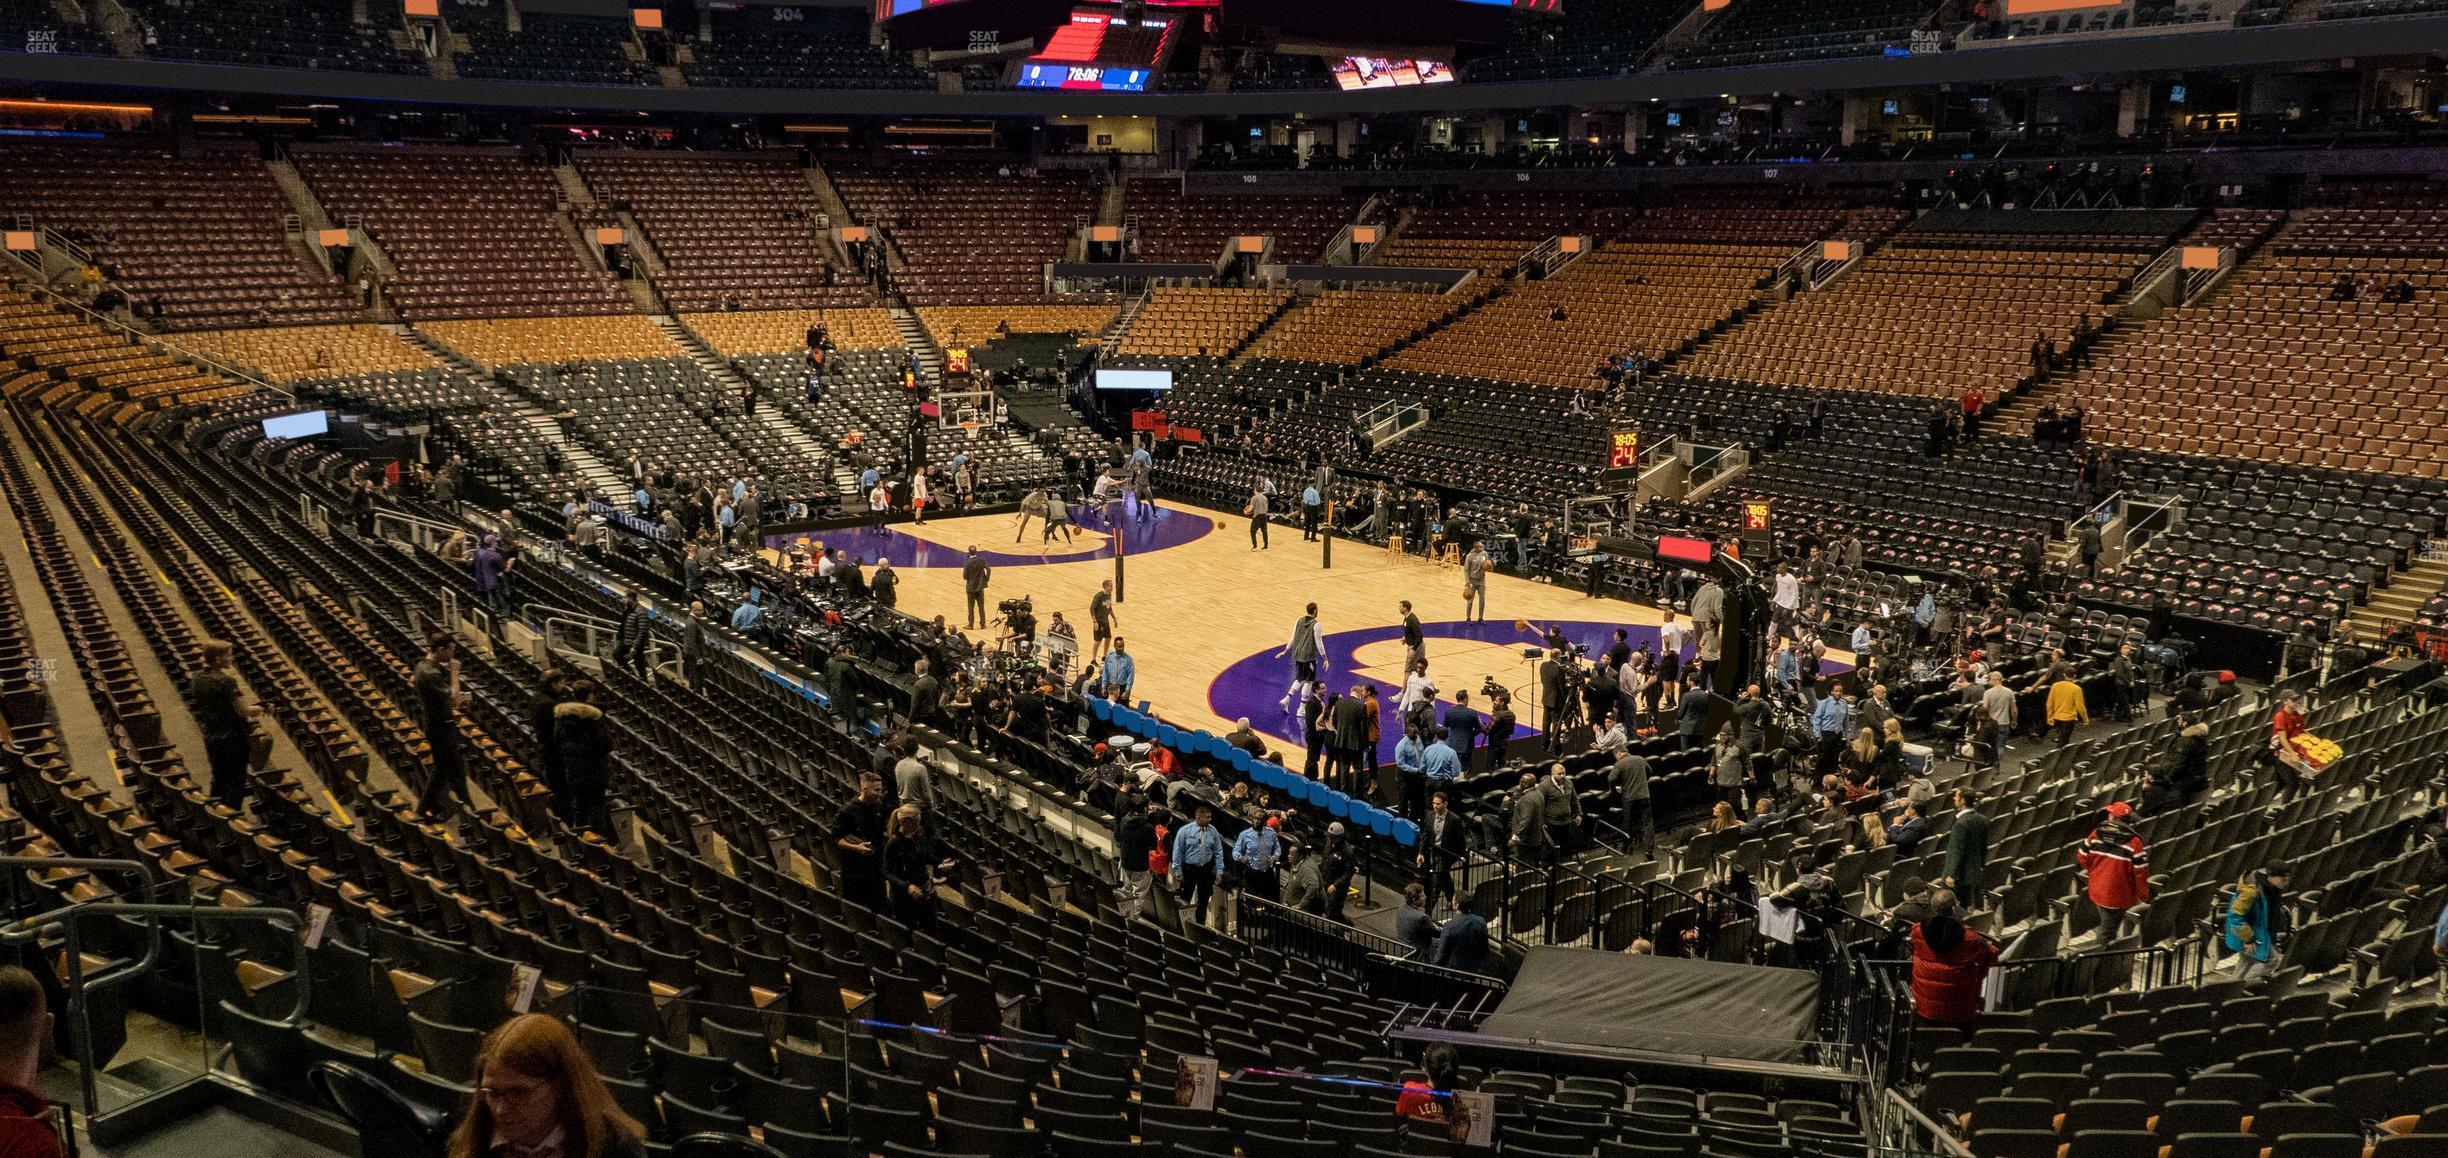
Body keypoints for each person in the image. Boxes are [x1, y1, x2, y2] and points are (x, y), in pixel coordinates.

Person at [447, 1013, 646, 1158]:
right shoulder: (476, 1138)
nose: (500, 1109)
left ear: (560, 1086)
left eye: (518, 1093)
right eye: (492, 1093)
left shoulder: (615, 1148)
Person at [191, 640, 257, 813]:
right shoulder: (227, 681)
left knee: (218, 777)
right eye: (229, 655)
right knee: (236, 781)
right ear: (218, 658)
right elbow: (243, 710)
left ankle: (216, 813)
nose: (232, 658)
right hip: (232, 737)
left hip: (211, 735)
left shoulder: (197, 678)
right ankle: (233, 817)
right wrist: (262, 708)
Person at [1909, 913, 1998, 1032]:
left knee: (1925, 1039)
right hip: (1960, 1008)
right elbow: (1991, 956)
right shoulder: (1970, 938)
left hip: (1924, 1007)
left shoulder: (1918, 932)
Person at [2075, 801, 2149, 943]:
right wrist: (2143, 895)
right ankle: (2097, 959)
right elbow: (2140, 872)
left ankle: (2096, 959)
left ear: (2112, 817)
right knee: (2108, 931)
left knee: (2107, 930)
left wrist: (2096, 871)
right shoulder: (2134, 843)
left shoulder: (2096, 834)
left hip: (2097, 889)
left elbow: (2082, 856)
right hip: (2121, 894)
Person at [414, 634, 468, 820]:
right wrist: (455, 673)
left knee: (442, 770)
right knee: (457, 773)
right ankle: (471, 815)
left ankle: (424, 809)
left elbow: (446, 699)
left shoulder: (424, 667)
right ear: (439, 649)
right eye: (450, 650)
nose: (452, 654)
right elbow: (452, 696)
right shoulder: (430, 673)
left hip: (438, 723)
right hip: (441, 728)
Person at [553, 682, 612, 835]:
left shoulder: (562, 716)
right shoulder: (594, 718)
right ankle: (600, 841)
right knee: (596, 805)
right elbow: (606, 744)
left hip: (572, 768)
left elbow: (557, 740)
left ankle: (580, 837)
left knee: (579, 803)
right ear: (589, 696)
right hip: (595, 768)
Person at [831, 771, 891, 912]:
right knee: (856, 907)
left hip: (875, 866)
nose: (879, 793)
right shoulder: (847, 811)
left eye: (880, 789)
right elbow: (836, 838)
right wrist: (856, 847)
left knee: (879, 905)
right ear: (864, 789)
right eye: (876, 790)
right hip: (854, 869)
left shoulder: (879, 806)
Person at [2225, 864, 2291, 980]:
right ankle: (2240, 986)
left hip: (2259, 932)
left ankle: (2230, 988)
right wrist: (2248, 938)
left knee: (2246, 960)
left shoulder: (2271, 888)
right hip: (2249, 935)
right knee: (2272, 960)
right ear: (2270, 876)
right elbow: (2234, 917)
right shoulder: (2251, 892)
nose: (2286, 883)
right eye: (2283, 879)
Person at [883, 804, 939, 932]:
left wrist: (940, 863)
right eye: (916, 822)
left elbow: (924, 855)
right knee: (911, 932)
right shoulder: (894, 842)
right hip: (904, 897)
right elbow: (887, 872)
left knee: (932, 930)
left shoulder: (919, 832)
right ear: (904, 822)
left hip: (925, 890)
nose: (918, 824)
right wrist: (907, 886)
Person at [1171, 804, 1226, 929]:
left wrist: (1219, 871)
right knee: (1186, 898)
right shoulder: (1185, 831)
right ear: (1199, 817)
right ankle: (1181, 925)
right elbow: (1177, 851)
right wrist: (1178, 871)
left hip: (1205, 870)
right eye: (1207, 817)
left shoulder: (1213, 831)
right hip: (1189, 869)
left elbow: (1218, 851)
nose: (1210, 819)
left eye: (1210, 817)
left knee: (1204, 898)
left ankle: (1199, 925)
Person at [1116, 794, 1160, 921]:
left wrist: (1147, 814)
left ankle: (1123, 916)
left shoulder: (1124, 820)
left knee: (1126, 892)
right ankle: (1132, 921)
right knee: (1138, 895)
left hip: (1125, 861)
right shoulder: (1148, 828)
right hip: (1140, 865)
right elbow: (1153, 845)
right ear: (1145, 809)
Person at [1944, 789, 1991, 907]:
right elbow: (1983, 847)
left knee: (1951, 907)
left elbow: (1957, 851)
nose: (1954, 798)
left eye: (1956, 796)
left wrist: (1952, 875)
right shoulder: (1983, 819)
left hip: (1958, 876)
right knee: (1964, 906)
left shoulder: (1960, 824)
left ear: (1963, 800)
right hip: (1973, 871)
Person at [1278, 603, 1322, 714]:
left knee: (1300, 679)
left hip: (1298, 655)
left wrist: (1286, 649)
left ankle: (1287, 698)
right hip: (1308, 656)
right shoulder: (1316, 625)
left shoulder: (1299, 621)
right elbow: (1319, 643)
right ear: (1315, 611)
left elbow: (1292, 636)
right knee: (1309, 681)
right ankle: (1301, 708)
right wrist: (1325, 657)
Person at [1434, 895, 1490, 973]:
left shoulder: (1449, 925)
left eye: (1453, 901)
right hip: (1473, 969)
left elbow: (1441, 953)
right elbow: (1484, 947)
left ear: (1457, 905)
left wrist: (1435, 970)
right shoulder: (1481, 921)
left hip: (1452, 971)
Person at [2045, 662, 2089, 746]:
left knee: (2061, 737)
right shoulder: (2076, 689)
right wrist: (2085, 718)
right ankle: (2059, 754)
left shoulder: (2055, 686)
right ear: (2074, 676)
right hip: (2069, 718)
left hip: (2057, 716)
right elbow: (2080, 706)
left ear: (2064, 675)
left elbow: (2049, 703)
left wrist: (2049, 717)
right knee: (2064, 739)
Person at [1394, 882, 1440, 960]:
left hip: (1404, 948)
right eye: (1422, 896)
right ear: (1414, 899)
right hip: (1419, 953)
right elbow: (1437, 933)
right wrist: (1441, 927)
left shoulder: (1401, 907)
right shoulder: (1421, 917)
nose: (1425, 897)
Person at [612, 590, 650, 677]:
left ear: (631, 598)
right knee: (617, 655)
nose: (623, 600)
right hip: (626, 640)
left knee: (640, 666)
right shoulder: (628, 610)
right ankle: (632, 676)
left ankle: (644, 683)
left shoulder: (641, 611)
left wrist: (635, 646)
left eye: (625, 598)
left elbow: (643, 630)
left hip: (636, 643)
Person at [1283, 840, 1324, 915]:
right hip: (1292, 905)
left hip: (1305, 912)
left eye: (1292, 854)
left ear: (1300, 856)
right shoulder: (1295, 862)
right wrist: (1286, 900)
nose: (1289, 856)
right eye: (1289, 853)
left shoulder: (1307, 869)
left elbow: (1313, 887)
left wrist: (1300, 905)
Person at [1088, 579, 1117, 663]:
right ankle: (1093, 659)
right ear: (1106, 586)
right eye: (1111, 586)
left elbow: (1109, 607)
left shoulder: (1109, 595)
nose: (1112, 587)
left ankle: (1104, 656)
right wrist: (1094, 621)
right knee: (1098, 641)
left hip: (1105, 621)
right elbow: (1092, 608)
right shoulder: (1099, 596)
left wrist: (1114, 618)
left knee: (1108, 638)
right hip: (1099, 621)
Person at [962, 547, 991, 629]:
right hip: (980, 587)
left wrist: (969, 578)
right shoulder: (981, 560)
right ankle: (983, 624)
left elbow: (964, 577)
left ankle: (971, 625)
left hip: (971, 588)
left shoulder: (967, 563)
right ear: (976, 552)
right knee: (981, 607)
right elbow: (988, 569)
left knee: (971, 607)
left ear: (969, 552)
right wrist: (987, 579)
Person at [1461, 543, 1490, 623]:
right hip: (1472, 581)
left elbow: (1487, 564)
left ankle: (1480, 618)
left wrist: (1489, 566)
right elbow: (1466, 570)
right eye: (1481, 547)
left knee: (1482, 600)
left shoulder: (1484, 554)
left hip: (1481, 580)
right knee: (1470, 600)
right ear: (1476, 548)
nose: (1482, 548)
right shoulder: (1469, 556)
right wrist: (1467, 582)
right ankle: (1468, 618)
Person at [1245, 483, 1272, 550]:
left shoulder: (1254, 498)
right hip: (1264, 516)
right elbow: (1267, 508)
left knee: (1252, 531)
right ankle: (1266, 546)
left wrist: (1246, 512)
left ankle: (1255, 546)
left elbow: (1251, 508)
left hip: (1257, 516)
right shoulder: (1265, 498)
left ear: (1256, 490)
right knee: (1264, 531)